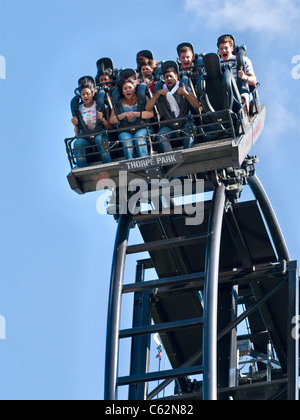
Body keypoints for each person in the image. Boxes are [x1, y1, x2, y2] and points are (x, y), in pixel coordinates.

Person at [145, 61, 201, 152]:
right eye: (166, 77)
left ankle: (187, 156)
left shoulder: (183, 86)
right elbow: (148, 107)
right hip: (169, 124)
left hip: (185, 122)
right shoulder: (161, 89)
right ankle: (172, 158)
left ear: (176, 77)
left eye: (171, 76)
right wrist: (157, 95)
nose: (169, 79)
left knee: (190, 131)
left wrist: (185, 93)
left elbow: (197, 105)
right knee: (161, 136)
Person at [109, 77, 154, 160]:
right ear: (122, 91)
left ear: (134, 89)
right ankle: (130, 165)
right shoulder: (118, 104)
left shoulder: (143, 98)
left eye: (130, 88)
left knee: (139, 137)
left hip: (143, 127)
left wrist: (136, 114)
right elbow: (112, 120)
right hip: (126, 130)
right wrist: (124, 115)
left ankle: (144, 161)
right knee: (126, 140)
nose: (128, 90)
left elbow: (151, 114)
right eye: (125, 88)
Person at [71, 79, 113, 167]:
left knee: (100, 140)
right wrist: (75, 125)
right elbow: (78, 133)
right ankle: (82, 168)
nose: (85, 96)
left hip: (101, 135)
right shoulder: (79, 109)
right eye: (83, 94)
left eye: (88, 93)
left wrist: (103, 119)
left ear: (93, 93)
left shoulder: (102, 106)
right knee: (77, 143)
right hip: (86, 139)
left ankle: (108, 164)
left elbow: (110, 128)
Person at [217, 35, 257, 112]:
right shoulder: (217, 65)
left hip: (241, 91)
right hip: (225, 95)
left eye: (226, 48)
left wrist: (244, 77)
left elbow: (254, 81)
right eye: (221, 49)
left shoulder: (243, 61)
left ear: (232, 48)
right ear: (218, 50)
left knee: (242, 99)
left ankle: (244, 118)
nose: (224, 51)